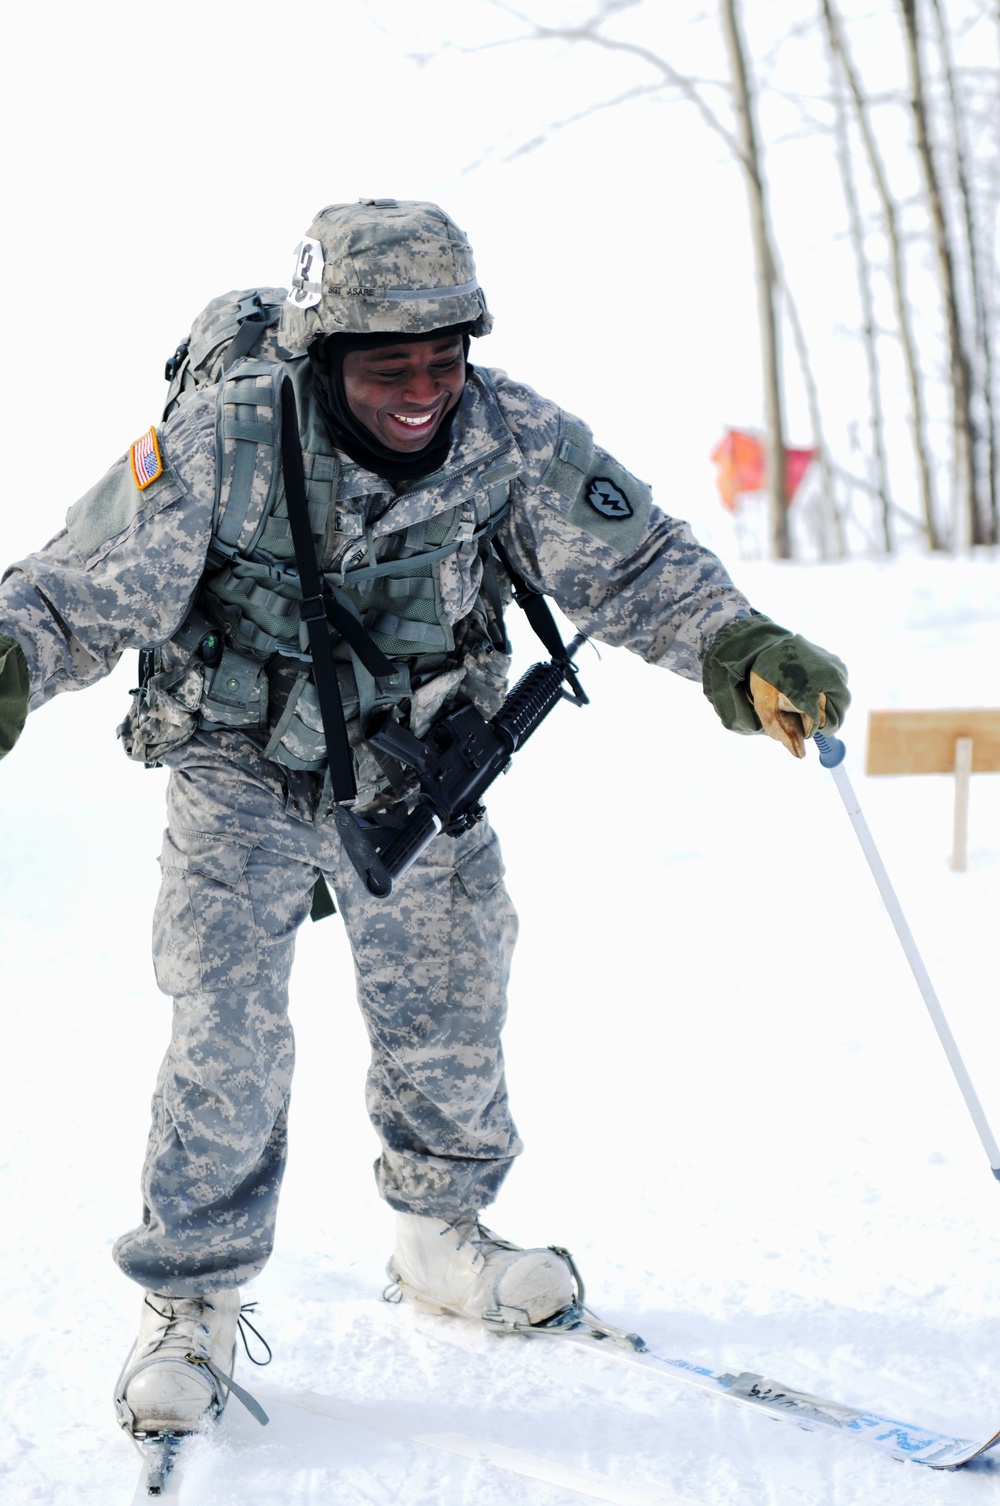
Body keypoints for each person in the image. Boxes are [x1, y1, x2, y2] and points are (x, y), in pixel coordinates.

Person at [0, 199, 849, 1444]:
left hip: (418, 757)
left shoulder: (504, 433)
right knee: (224, 1029)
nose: (419, 390)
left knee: (451, 991)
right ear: (320, 355)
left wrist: (741, 646)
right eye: (386, 364)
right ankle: (190, 1302)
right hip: (243, 768)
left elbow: (635, 562)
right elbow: (77, 589)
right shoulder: (224, 442)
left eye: (443, 358)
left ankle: (441, 1236)